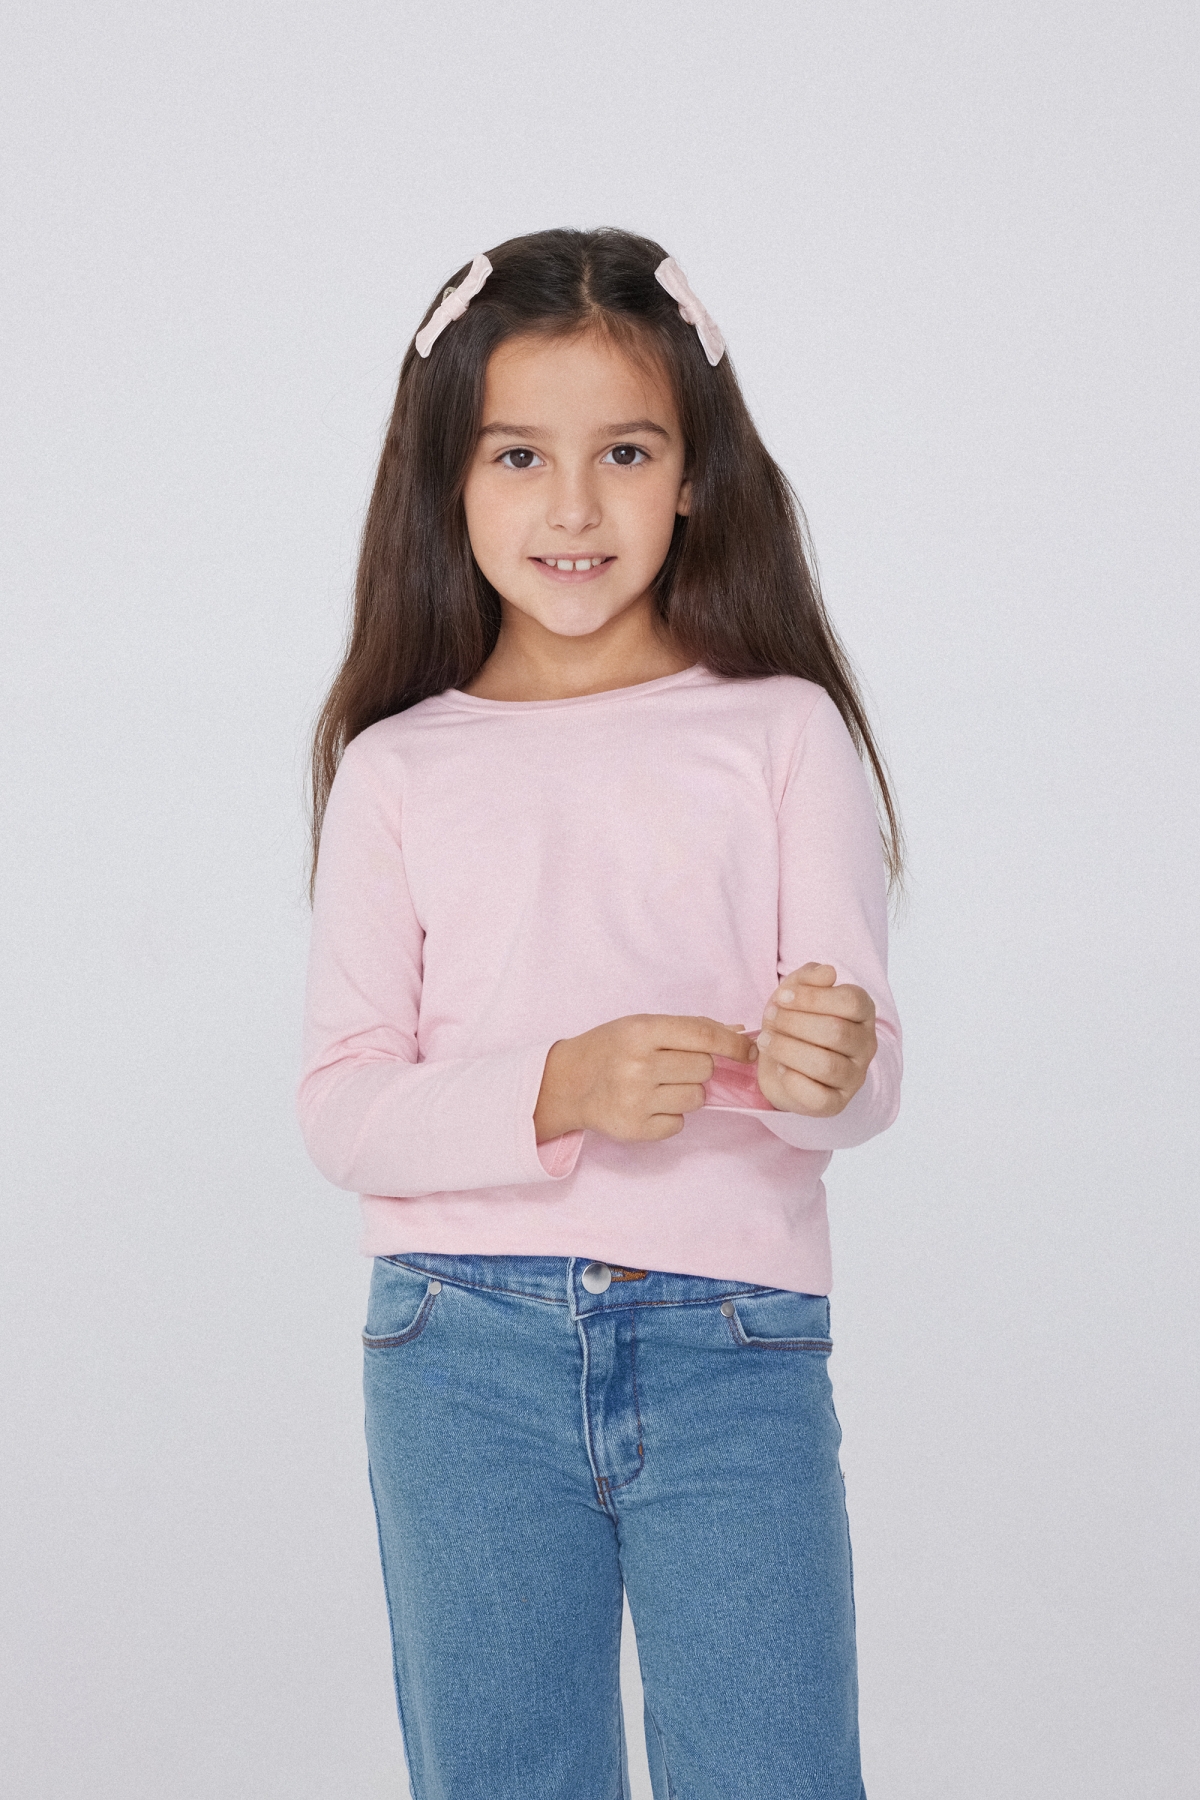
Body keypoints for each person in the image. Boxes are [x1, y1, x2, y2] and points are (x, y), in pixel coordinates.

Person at [298, 227, 903, 1800]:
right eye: (520, 455)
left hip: (734, 1341)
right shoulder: (398, 769)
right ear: (448, 479)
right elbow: (343, 1105)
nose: (573, 508)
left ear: (695, 475)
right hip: (458, 1350)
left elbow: (854, 1069)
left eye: (625, 452)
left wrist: (827, 1070)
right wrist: (557, 1085)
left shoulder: (782, 733)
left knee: (775, 1773)